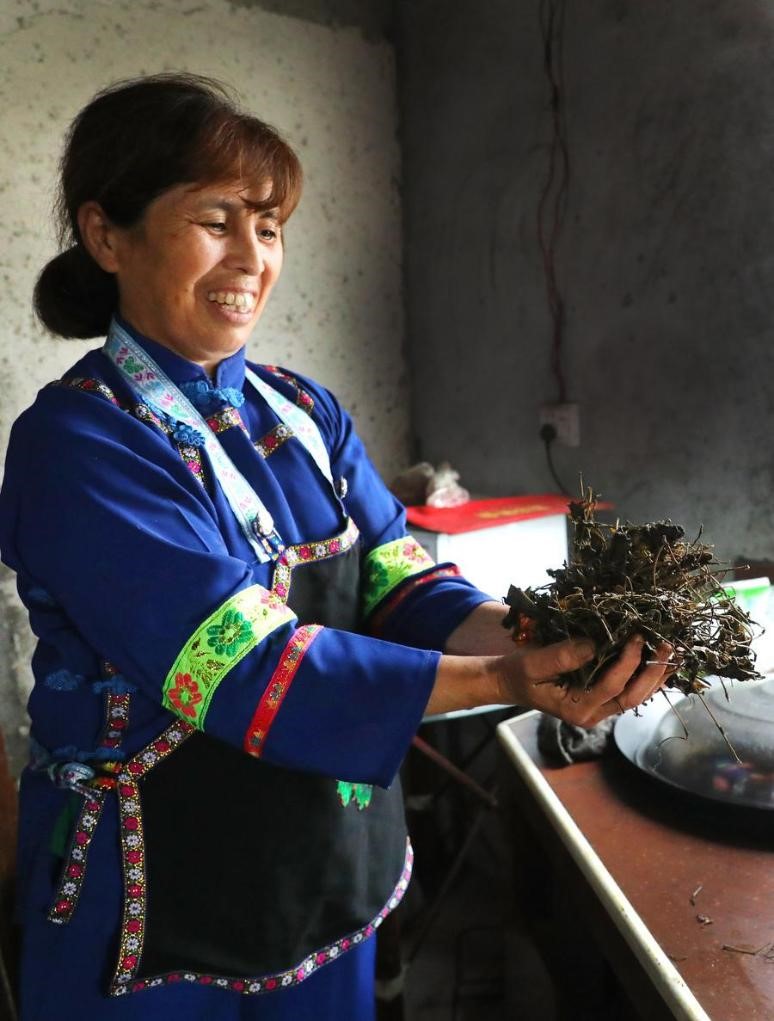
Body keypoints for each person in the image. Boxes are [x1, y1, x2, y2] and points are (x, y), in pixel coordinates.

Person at [0, 73, 673, 1021]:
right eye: (216, 221)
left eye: (269, 227)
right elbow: (232, 662)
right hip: (156, 909)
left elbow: (400, 584)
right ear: (107, 235)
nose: (252, 258)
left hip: (324, 871)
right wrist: (505, 679)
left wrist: (538, 633)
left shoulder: (304, 413)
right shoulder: (80, 442)